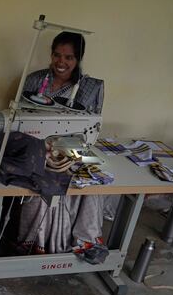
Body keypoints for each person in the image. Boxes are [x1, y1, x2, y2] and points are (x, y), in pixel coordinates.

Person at [13, 32, 110, 254]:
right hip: (37, 146)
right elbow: (20, 118)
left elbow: (91, 126)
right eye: (57, 55)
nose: (61, 62)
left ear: (78, 60)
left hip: (74, 148)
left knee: (93, 179)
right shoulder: (34, 80)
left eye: (69, 57)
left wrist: (71, 150)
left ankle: (83, 241)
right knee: (42, 183)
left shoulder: (90, 88)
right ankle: (39, 244)